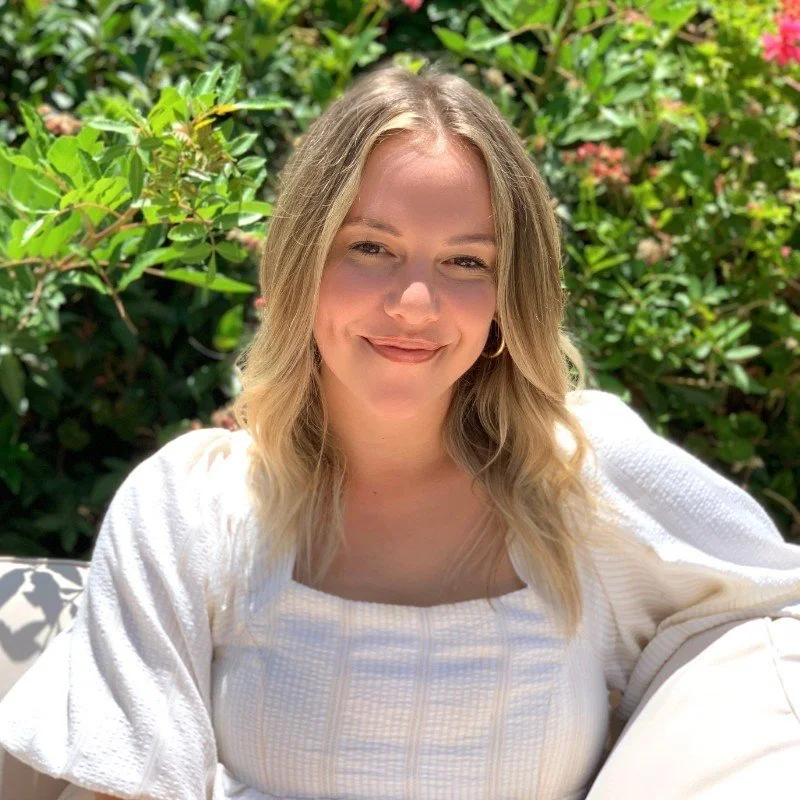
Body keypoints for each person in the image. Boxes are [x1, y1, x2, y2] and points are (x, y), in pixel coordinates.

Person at [1, 61, 799, 800]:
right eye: (371, 248)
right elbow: (118, 781)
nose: (414, 304)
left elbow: (771, 622)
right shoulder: (191, 508)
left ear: (505, 297)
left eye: (465, 263)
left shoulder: (579, 479)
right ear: (301, 263)